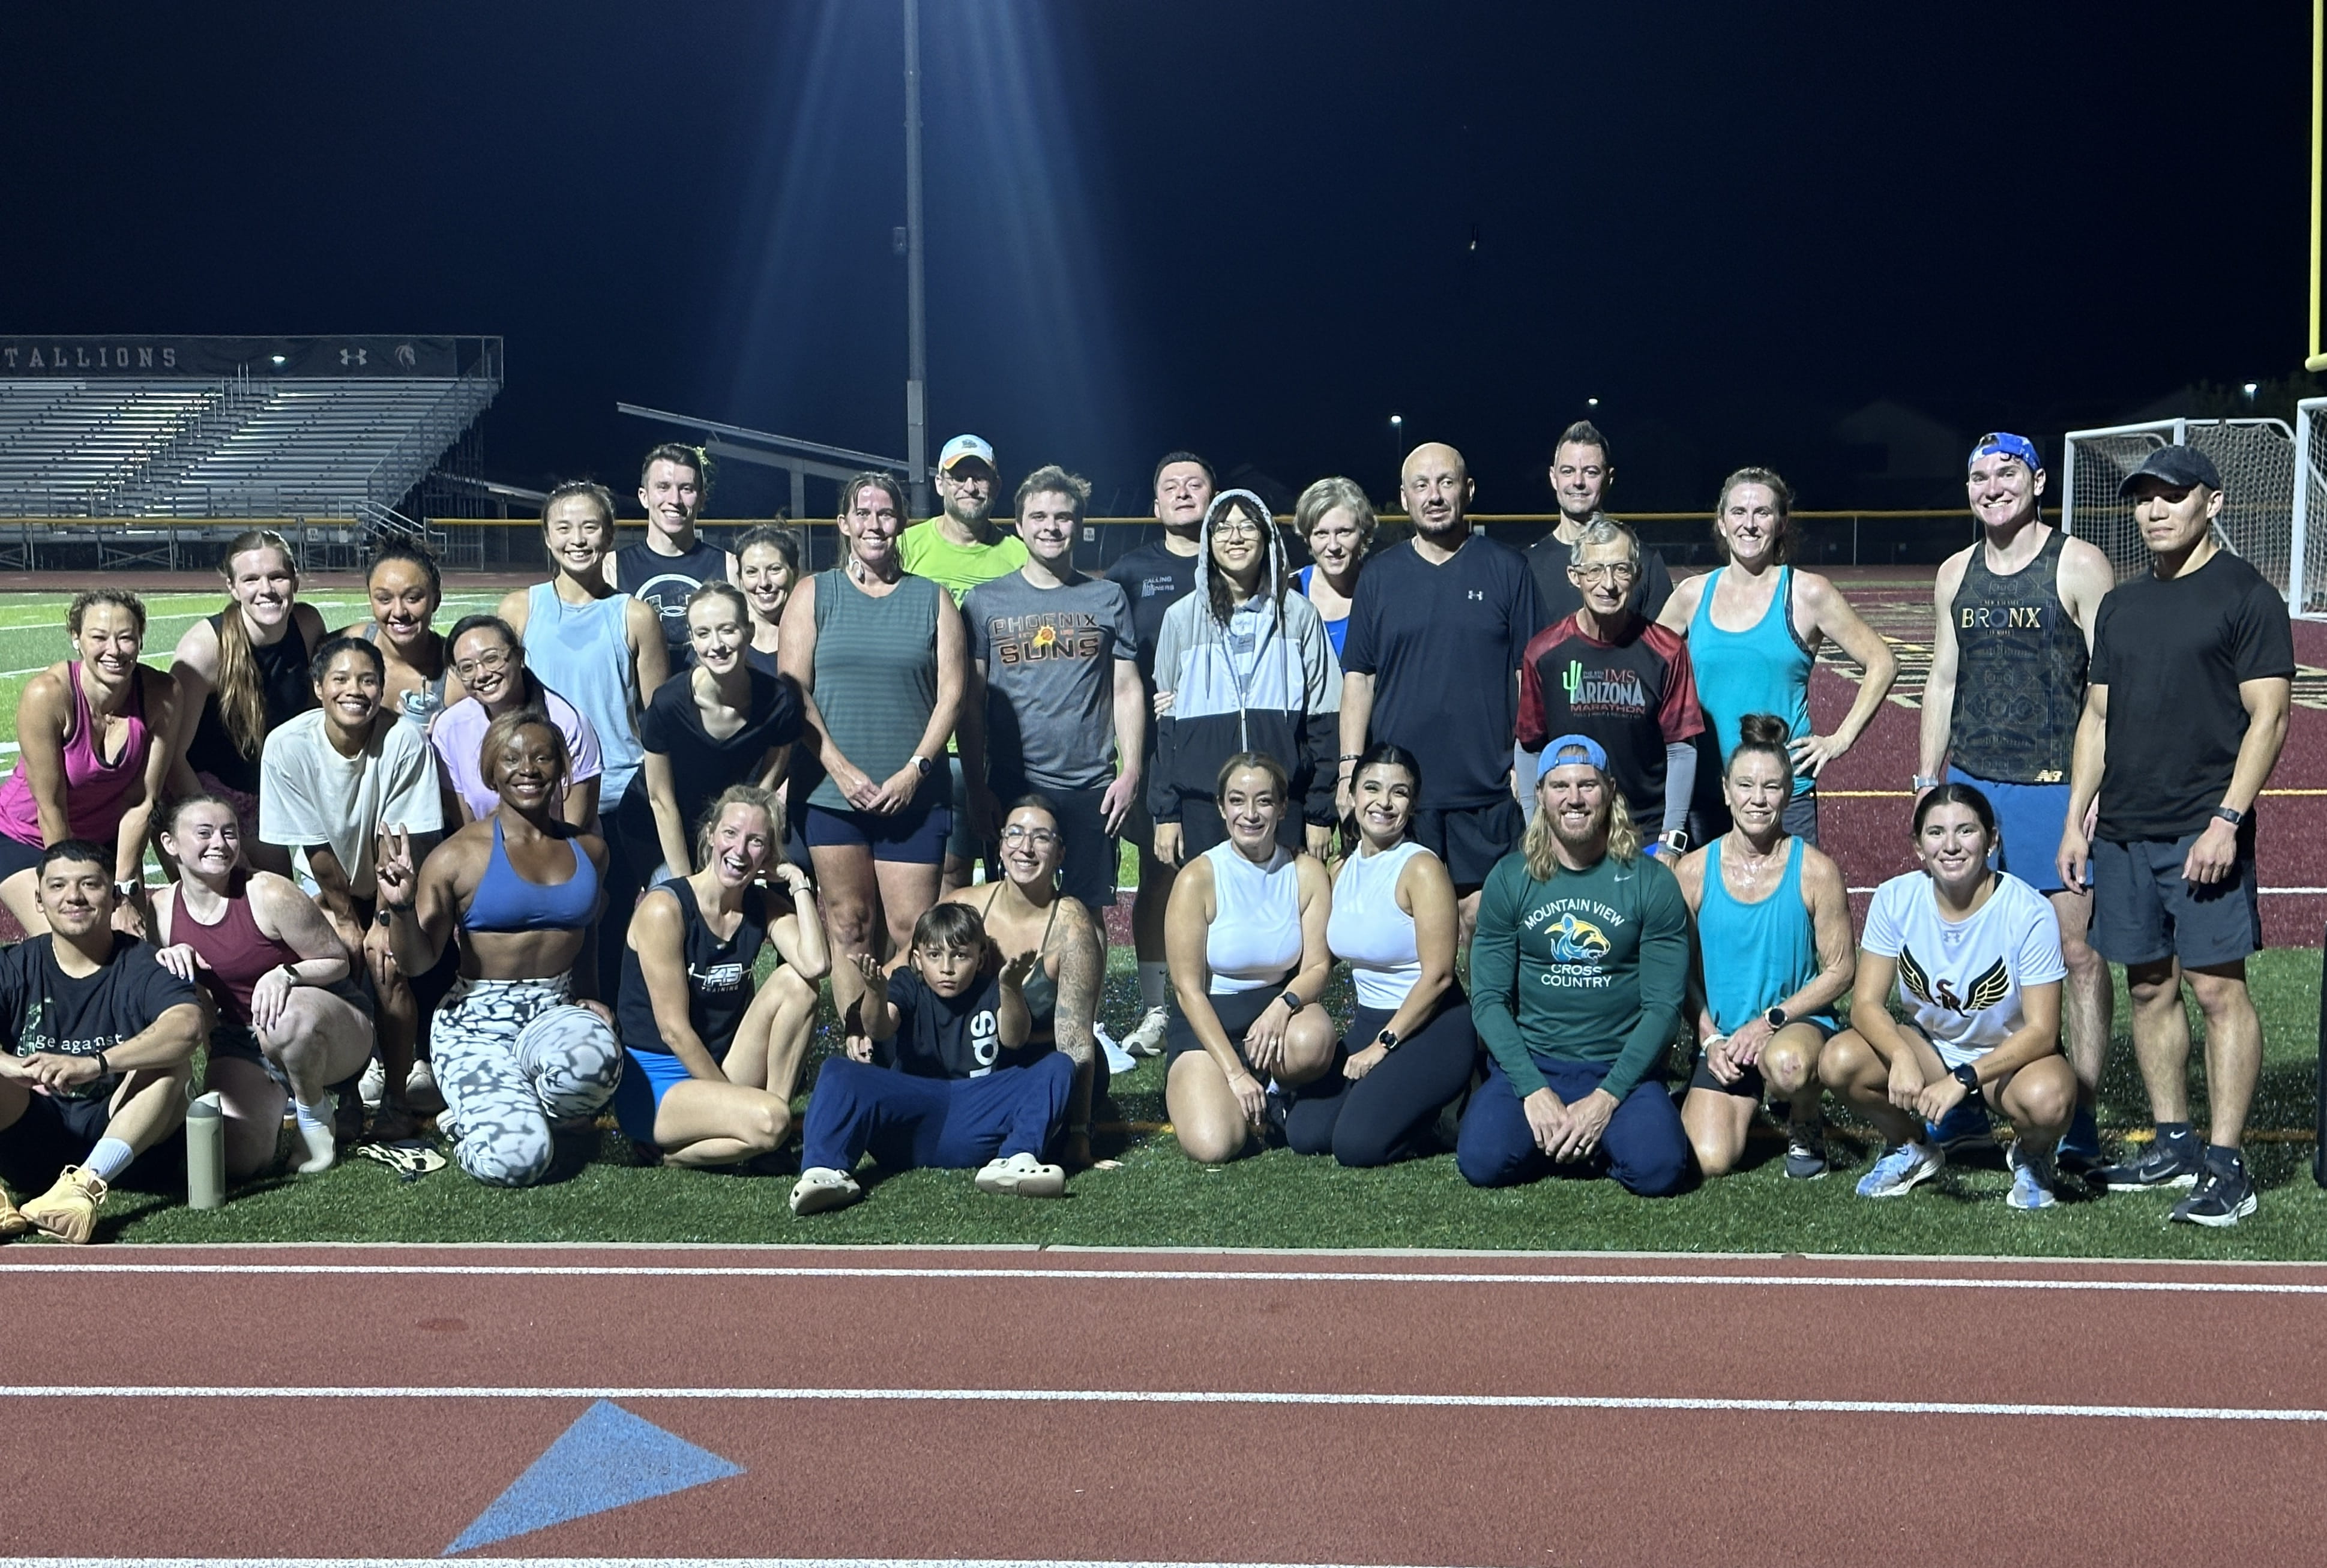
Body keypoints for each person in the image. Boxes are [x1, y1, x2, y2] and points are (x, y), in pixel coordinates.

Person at [2059, 445, 2293, 1226]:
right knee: (2148, 986)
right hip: (2123, 829)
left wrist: (2227, 820)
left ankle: (2228, 1165)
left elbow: (2270, 715)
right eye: (2143, 498)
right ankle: (2174, 1141)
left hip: (2202, 829)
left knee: (2217, 990)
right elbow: (2096, 718)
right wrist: (2076, 817)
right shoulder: (2122, 607)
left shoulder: (2244, 594)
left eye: (2172, 496)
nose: (2154, 510)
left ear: (2212, 503)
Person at [1918, 432, 2114, 1168]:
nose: (1991, 486)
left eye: (2005, 473)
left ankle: (2079, 1116)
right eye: (1977, 475)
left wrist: (2096, 793)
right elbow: (1940, 678)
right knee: (1972, 956)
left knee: (2077, 955)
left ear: (2036, 481)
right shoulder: (1954, 572)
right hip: (1971, 786)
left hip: (2052, 789)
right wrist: (1927, 780)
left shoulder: (2077, 564)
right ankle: (1970, 1099)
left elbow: (2109, 687)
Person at [373, 710, 625, 1186]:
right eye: (511, 758)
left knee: (601, 1063)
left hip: (553, 1009)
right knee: (519, 1161)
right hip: (475, 1025)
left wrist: (592, 996)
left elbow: (587, 934)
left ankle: (515, 1106)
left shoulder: (590, 850)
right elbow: (417, 962)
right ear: (491, 770)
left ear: (561, 768)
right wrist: (402, 909)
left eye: (542, 757)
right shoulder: (456, 855)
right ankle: (474, 1121)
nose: (527, 768)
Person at [1456, 736, 1690, 1197]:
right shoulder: (1509, 878)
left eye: (1587, 784)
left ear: (1609, 790)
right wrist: (1532, 1090)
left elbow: (1664, 1008)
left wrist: (1606, 1099)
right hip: (1535, 1062)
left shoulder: (1652, 882)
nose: (1574, 798)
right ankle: (1572, 1138)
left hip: (1618, 1066)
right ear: (1539, 795)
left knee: (1660, 1168)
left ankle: (1589, 1135)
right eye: (1560, 786)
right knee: (1481, 1159)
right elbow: (1487, 1000)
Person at [780, 472, 966, 1047]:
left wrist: (917, 770)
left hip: (910, 796)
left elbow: (952, 693)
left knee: (913, 928)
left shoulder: (929, 597)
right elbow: (793, 689)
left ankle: (904, 1039)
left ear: (902, 522)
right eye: (862, 514)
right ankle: (858, 1038)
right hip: (832, 796)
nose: (874, 524)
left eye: (886, 514)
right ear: (843, 524)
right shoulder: (815, 592)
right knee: (849, 924)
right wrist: (838, 767)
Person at [1826, 785, 2074, 1210]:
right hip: (1930, 1047)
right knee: (1838, 1061)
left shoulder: (2028, 911)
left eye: (1966, 831)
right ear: (1918, 846)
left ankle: (2032, 1155)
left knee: (2049, 1099)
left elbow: (2041, 1031)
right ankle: (1912, 1146)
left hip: (2007, 1059)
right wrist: (1901, 1056)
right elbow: (1864, 1004)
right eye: (1936, 833)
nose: (1951, 845)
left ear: (1991, 840)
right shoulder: (1895, 898)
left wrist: (1962, 1079)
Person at [1340, 442, 1543, 949]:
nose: (1434, 495)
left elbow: (1528, 673)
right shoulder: (1379, 577)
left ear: (1467, 490)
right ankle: (1419, 1029)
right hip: (1403, 792)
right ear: (1403, 498)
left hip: (1486, 786)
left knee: (1481, 924)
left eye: (1446, 482)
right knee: (1412, 928)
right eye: (1422, 485)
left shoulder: (1506, 568)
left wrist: (1525, 756)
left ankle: (1482, 1029)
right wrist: (1349, 768)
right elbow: (1358, 679)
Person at [257, 635, 445, 1137]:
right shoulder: (287, 745)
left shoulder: (403, 740)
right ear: (318, 687)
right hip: (325, 883)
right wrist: (344, 919)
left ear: (382, 688)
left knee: (388, 968)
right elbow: (315, 847)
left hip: (390, 877)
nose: (354, 690)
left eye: (367, 680)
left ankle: (397, 1099)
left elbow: (395, 840)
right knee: (337, 965)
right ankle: (342, 1094)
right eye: (340, 679)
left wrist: (382, 921)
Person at [1657, 466, 1897, 848]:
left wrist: (1839, 739)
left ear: (1781, 523)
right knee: (1707, 904)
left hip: (1782, 792)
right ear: (1721, 523)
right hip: (1708, 789)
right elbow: (1647, 668)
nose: (1749, 524)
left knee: (1790, 902)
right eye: (1738, 512)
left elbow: (1882, 662)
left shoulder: (1808, 593)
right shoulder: (1693, 595)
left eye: (1762, 513)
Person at [499, 480, 672, 991]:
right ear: (548, 538)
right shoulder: (520, 609)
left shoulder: (634, 615)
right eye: (564, 528)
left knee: (611, 920)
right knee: (547, 922)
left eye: (590, 527)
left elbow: (659, 720)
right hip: (540, 796)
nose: (578, 539)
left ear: (610, 535)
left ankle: (614, 1022)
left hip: (618, 796)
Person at [151, 794, 374, 1180]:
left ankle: (314, 1116)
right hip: (241, 1040)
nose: (220, 844)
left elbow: (338, 961)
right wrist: (165, 962)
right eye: (204, 833)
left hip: (324, 1022)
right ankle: (273, 1103)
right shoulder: (159, 910)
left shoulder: (267, 891)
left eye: (230, 833)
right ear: (170, 844)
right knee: (232, 1161)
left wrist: (287, 974)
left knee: (284, 1019)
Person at [789, 904, 1066, 1213]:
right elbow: (879, 1028)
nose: (947, 967)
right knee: (838, 1071)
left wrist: (1011, 988)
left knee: (1059, 1065)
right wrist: (876, 993)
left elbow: (1014, 1037)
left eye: (960, 955)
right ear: (918, 959)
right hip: (909, 1116)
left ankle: (1016, 1160)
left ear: (981, 958)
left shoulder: (991, 989)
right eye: (935, 955)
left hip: (977, 1115)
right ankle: (824, 1173)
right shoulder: (908, 983)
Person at [1673, 715, 1855, 1180]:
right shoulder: (1691, 873)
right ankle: (1743, 1098)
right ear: (1725, 789)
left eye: (1771, 787)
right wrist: (1710, 1037)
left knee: (1788, 1065)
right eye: (1746, 785)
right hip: (1725, 1040)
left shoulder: (1815, 870)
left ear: (1788, 793)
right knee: (1710, 1159)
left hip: (1790, 1026)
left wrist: (1770, 1021)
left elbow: (1839, 970)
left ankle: (1804, 1116)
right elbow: (1679, 973)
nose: (1758, 799)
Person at [960, 465, 1142, 924]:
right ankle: (1014, 997)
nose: (1051, 526)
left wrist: (1131, 770)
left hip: (1089, 784)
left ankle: (1081, 1000)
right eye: (1038, 516)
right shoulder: (985, 602)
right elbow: (972, 701)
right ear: (1019, 527)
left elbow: (1125, 688)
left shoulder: (1107, 597)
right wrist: (978, 784)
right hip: (1013, 782)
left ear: (1079, 526)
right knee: (1012, 908)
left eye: (1063, 517)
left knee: (1087, 912)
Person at [613, 786, 829, 1168]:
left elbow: (816, 966)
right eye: (731, 834)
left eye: (756, 841)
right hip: (659, 1083)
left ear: (769, 853)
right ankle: (676, 1156)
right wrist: (734, 1103)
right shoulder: (666, 909)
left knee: (798, 985)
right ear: (711, 834)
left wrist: (796, 880)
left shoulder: (760, 907)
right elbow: (674, 1031)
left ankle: (764, 1142)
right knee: (773, 1120)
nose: (740, 851)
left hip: (719, 1066)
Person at [0, 843, 204, 1245]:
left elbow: (188, 1026)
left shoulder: (142, 962)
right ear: (39, 899)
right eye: (58, 885)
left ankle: (84, 1188)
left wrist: (96, 1063)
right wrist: (8, 1064)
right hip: (31, 1128)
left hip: (121, 1135)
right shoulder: (15, 964)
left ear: (114, 897)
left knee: (170, 1066)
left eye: (89, 884)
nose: (73, 896)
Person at [1284, 745, 1477, 1167]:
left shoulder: (1421, 868)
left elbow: (1440, 976)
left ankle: (1442, 1111)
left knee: (1357, 1146)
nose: (1384, 803)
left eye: (1399, 792)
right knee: (1305, 1133)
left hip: (1430, 1026)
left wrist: (1381, 1046)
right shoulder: (1340, 868)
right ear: (1351, 797)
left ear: (1414, 803)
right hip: (1369, 1019)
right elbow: (1320, 960)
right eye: (1371, 788)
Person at [1161, 753, 1337, 1164]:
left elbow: (1317, 967)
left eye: (1263, 800)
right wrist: (1235, 1072)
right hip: (1207, 1022)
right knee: (1215, 1144)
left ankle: (1276, 1090)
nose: (1250, 813)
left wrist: (1282, 1006)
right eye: (1237, 800)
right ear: (1222, 808)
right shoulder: (1198, 877)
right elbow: (1186, 989)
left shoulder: (1307, 872)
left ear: (1281, 807)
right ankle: (1243, 1093)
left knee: (1315, 1039)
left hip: (1275, 1013)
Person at [1151, 489, 1343, 862]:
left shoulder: (1300, 616)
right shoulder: (1179, 618)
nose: (1235, 537)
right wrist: (1167, 812)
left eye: (1247, 527)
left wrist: (1320, 811)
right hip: (1203, 805)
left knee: (1285, 912)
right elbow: (1167, 728)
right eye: (1222, 528)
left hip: (1282, 803)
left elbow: (1325, 719)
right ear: (1208, 541)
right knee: (1209, 914)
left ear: (1268, 536)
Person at [1106, 451, 1217, 1055]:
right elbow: (1114, 668)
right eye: (1169, 486)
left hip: (1229, 747)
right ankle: (1156, 1007)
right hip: (1161, 753)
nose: (1182, 494)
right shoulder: (1128, 571)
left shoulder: (1235, 561)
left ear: (1214, 496)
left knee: (1230, 873)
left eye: (1194, 484)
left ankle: (1222, 994)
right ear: (1154, 506)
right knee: (1159, 873)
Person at [0, 589, 178, 940]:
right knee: (76, 941)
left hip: (106, 839)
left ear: (141, 641)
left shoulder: (162, 693)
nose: (113, 650)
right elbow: (51, 808)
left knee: (135, 945)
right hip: (30, 838)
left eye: (126, 638)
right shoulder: (47, 695)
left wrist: (123, 889)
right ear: (76, 640)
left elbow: (143, 800)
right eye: (99, 637)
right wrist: (71, 886)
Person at [1517, 518, 1703, 855]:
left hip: (1644, 831)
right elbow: (1530, 745)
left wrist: (1670, 842)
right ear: (1575, 576)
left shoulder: (1667, 651)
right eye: (1595, 571)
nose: (1608, 584)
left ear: (1637, 575)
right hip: (1569, 831)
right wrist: (1536, 829)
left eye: (1620, 570)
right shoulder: (1543, 652)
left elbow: (1681, 748)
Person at [944, 794, 1110, 1167]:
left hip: (1038, 1068)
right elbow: (903, 972)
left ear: (1060, 854)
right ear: (1001, 847)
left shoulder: (1071, 926)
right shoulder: (964, 905)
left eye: (1041, 838)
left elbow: (1076, 1042)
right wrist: (867, 1012)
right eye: (1015, 834)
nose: (1026, 848)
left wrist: (1080, 1136)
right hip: (968, 1063)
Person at [898, 435, 1029, 894]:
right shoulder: (906, 546)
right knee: (943, 870)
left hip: (1003, 742)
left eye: (980, 476)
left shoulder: (1019, 553)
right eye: (960, 476)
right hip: (927, 740)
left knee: (1014, 871)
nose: (970, 486)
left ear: (995, 484)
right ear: (940, 483)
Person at [165, 528, 327, 878]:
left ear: (295, 581)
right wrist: (219, 832)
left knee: (277, 902)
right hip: (201, 795)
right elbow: (173, 760)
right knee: (230, 906)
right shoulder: (204, 649)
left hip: (263, 795)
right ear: (232, 587)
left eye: (277, 577)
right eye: (251, 579)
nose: (266, 589)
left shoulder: (308, 624)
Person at [617, 582, 801, 888]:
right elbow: (660, 798)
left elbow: (763, 789)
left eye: (727, 630)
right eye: (703, 634)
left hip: (720, 827)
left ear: (749, 632)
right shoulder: (669, 703)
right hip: (654, 824)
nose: (716, 645)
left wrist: (733, 835)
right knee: (678, 911)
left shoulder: (778, 702)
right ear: (692, 639)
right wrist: (684, 884)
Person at [432, 614, 604, 828]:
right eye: (467, 668)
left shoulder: (568, 722)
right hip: (487, 853)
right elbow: (466, 830)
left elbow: (576, 829)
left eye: (492, 658)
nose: (483, 674)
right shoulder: (449, 729)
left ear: (520, 657)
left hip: (558, 852)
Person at [1526, 421, 1673, 623]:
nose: (1578, 482)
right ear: (1554, 478)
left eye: (1591, 472)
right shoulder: (1526, 567)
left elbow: (1664, 648)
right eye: (1568, 471)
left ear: (1608, 478)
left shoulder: (1644, 562)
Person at [609, 444, 736, 670]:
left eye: (686, 488)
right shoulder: (611, 568)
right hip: (641, 704)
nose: (675, 499)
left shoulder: (730, 566)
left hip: (711, 702)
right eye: (663, 487)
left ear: (702, 499)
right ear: (644, 496)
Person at [343, 539, 461, 736]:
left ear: (436, 600)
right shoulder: (347, 646)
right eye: (384, 599)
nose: (399, 612)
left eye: (413, 598)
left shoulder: (455, 676)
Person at [1293, 476, 1376, 659]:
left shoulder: (1381, 591)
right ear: (1307, 537)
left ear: (1363, 533)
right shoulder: (1292, 591)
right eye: (1321, 533)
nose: (1333, 546)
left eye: (1344, 532)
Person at [735, 523, 805, 678]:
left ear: (794, 573)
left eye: (774, 569)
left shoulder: (815, 637)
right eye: (752, 572)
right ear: (740, 580)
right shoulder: (724, 639)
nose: (763, 583)